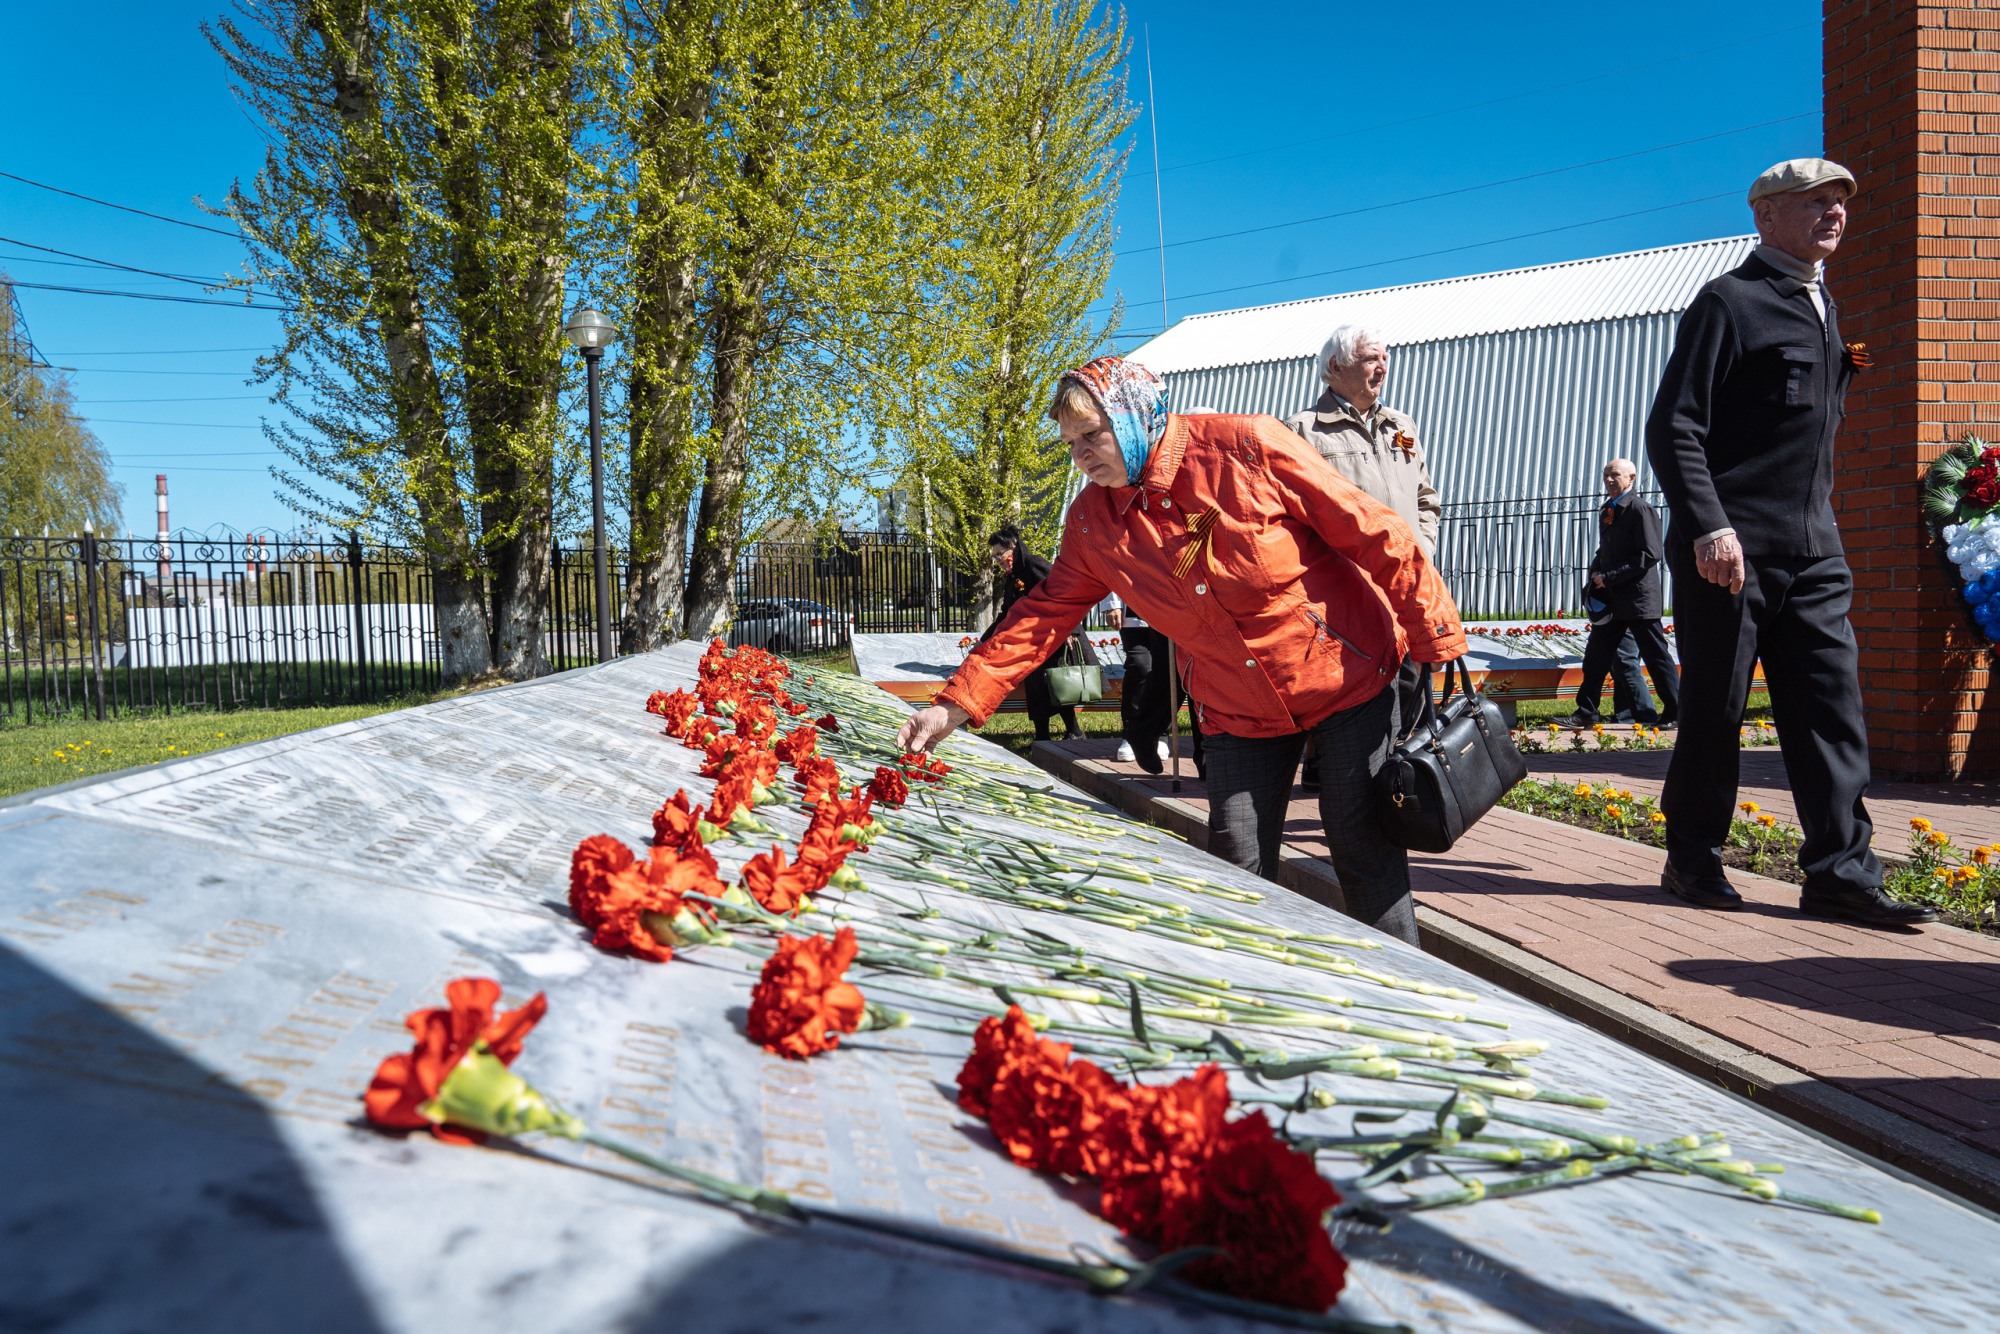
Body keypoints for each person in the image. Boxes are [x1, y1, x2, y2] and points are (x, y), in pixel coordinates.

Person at [898, 357, 1466, 945]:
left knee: (1362, 848)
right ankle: (1250, 1000)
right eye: (1071, 444)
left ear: (1135, 415)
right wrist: (953, 706)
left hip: (1342, 676)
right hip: (1235, 709)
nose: (1082, 455)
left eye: (1093, 434)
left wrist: (1434, 639)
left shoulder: (1247, 448)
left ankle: (1417, 1006)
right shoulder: (1094, 522)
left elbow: (1373, 529)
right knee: (1236, 866)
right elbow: (1042, 617)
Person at [1645, 157, 1932, 927]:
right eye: (1814, 203)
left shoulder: (1822, 306)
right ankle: (1693, 859)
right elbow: (1674, 426)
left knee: (1831, 710)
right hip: (1731, 554)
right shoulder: (1728, 303)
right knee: (1716, 709)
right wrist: (1709, 526)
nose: (1834, 214)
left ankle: (1840, 872)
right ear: (1765, 215)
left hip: (1814, 553)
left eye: (1840, 202)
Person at [1286, 324, 1442, 786]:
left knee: (1415, 683)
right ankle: (1358, 784)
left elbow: (1427, 499)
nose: (1384, 366)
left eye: (1386, 357)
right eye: (1372, 357)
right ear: (1336, 367)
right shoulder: (1304, 430)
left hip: (1410, 582)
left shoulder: (1401, 425)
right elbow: (1295, 518)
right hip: (1350, 591)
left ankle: (1403, 782)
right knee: (1363, 691)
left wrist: (1422, 551)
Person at [1567, 459, 1680, 728]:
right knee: (1595, 657)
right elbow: (1604, 550)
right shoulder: (1609, 509)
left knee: (1656, 657)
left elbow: (1650, 553)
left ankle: (1677, 712)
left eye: (1615, 474)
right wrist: (1596, 574)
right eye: (1606, 474)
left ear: (1631, 478)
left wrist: (1610, 576)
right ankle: (1586, 711)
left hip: (1638, 599)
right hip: (1613, 601)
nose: (1608, 479)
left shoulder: (1640, 509)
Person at [985, 525, 1082, 742]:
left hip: (1056, 634)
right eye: (994, 557)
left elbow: (1066, 592)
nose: (997, 560)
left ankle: (1074, 732)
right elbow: (1007, 612)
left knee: (1058, 684)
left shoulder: (1033, 564)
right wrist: (986, 640)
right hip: (1033, 640)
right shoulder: (1012, 576)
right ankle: (1042, 739)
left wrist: (1071, 629)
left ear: (1013, 547)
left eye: (1000, 554)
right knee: (1038, 687)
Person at [1098, 591, 1171, 770]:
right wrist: (1111, 604)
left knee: (1165, 668)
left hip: (1167, 607)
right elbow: (1111, 564)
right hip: (1133, 610)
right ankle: (1130, 733)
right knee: (1139, 665)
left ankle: (1160, 733)